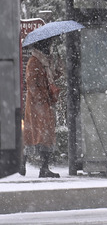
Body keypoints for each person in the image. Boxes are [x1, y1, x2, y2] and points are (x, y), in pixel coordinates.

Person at [21, 37, 61, 178]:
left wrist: (58, 68)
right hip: (36, 106)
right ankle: (24, 164)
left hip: (44, 104)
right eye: (48, 44)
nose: (49, 47)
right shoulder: (34, 62)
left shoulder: (45, 62)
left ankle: (42, 167)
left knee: (43, 136)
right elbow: (31, 85)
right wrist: (41, 99)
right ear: (42, 46)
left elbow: (50, 78)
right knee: (37, 135)